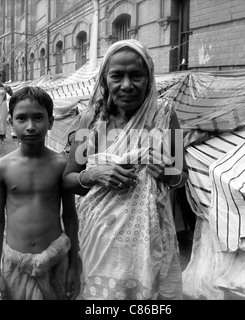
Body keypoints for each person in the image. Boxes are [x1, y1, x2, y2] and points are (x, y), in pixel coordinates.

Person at [62, 39, 188, 300]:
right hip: (99, 239)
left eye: (136, 75)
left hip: (150, 242)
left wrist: (165, 173)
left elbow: (181, 175)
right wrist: (94, 174)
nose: (127, 85)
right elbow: (68, 179)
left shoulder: (164, 116)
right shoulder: (91, 120)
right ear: (105, 80)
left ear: (149, 78)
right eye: (117, 76)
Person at [0, 86, 81, 300]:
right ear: (11, 121)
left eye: (38, 117)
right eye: (22, 118)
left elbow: (69, 215)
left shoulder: (61, 164)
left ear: (51, 121)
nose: (30, 126)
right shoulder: (2, 168)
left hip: (56, 260)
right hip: (16, 264)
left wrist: (75, 265)